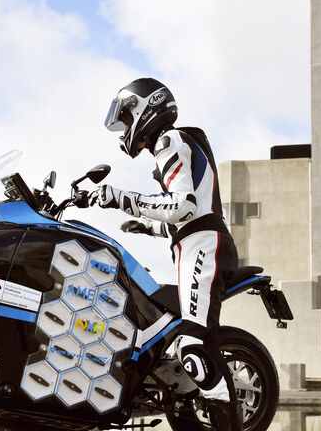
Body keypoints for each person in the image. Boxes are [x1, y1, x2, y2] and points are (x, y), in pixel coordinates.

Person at [88, 77, 242, 430]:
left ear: (144, 109)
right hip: (196, 243)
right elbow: (188, 214)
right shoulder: (174, 144)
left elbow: (184, 205)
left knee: (192, 346)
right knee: (179, 347)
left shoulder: (169, 140)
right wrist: (147, 226)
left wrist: (120, 198)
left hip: (204, 245)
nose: (124, 129)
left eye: (126, 119)